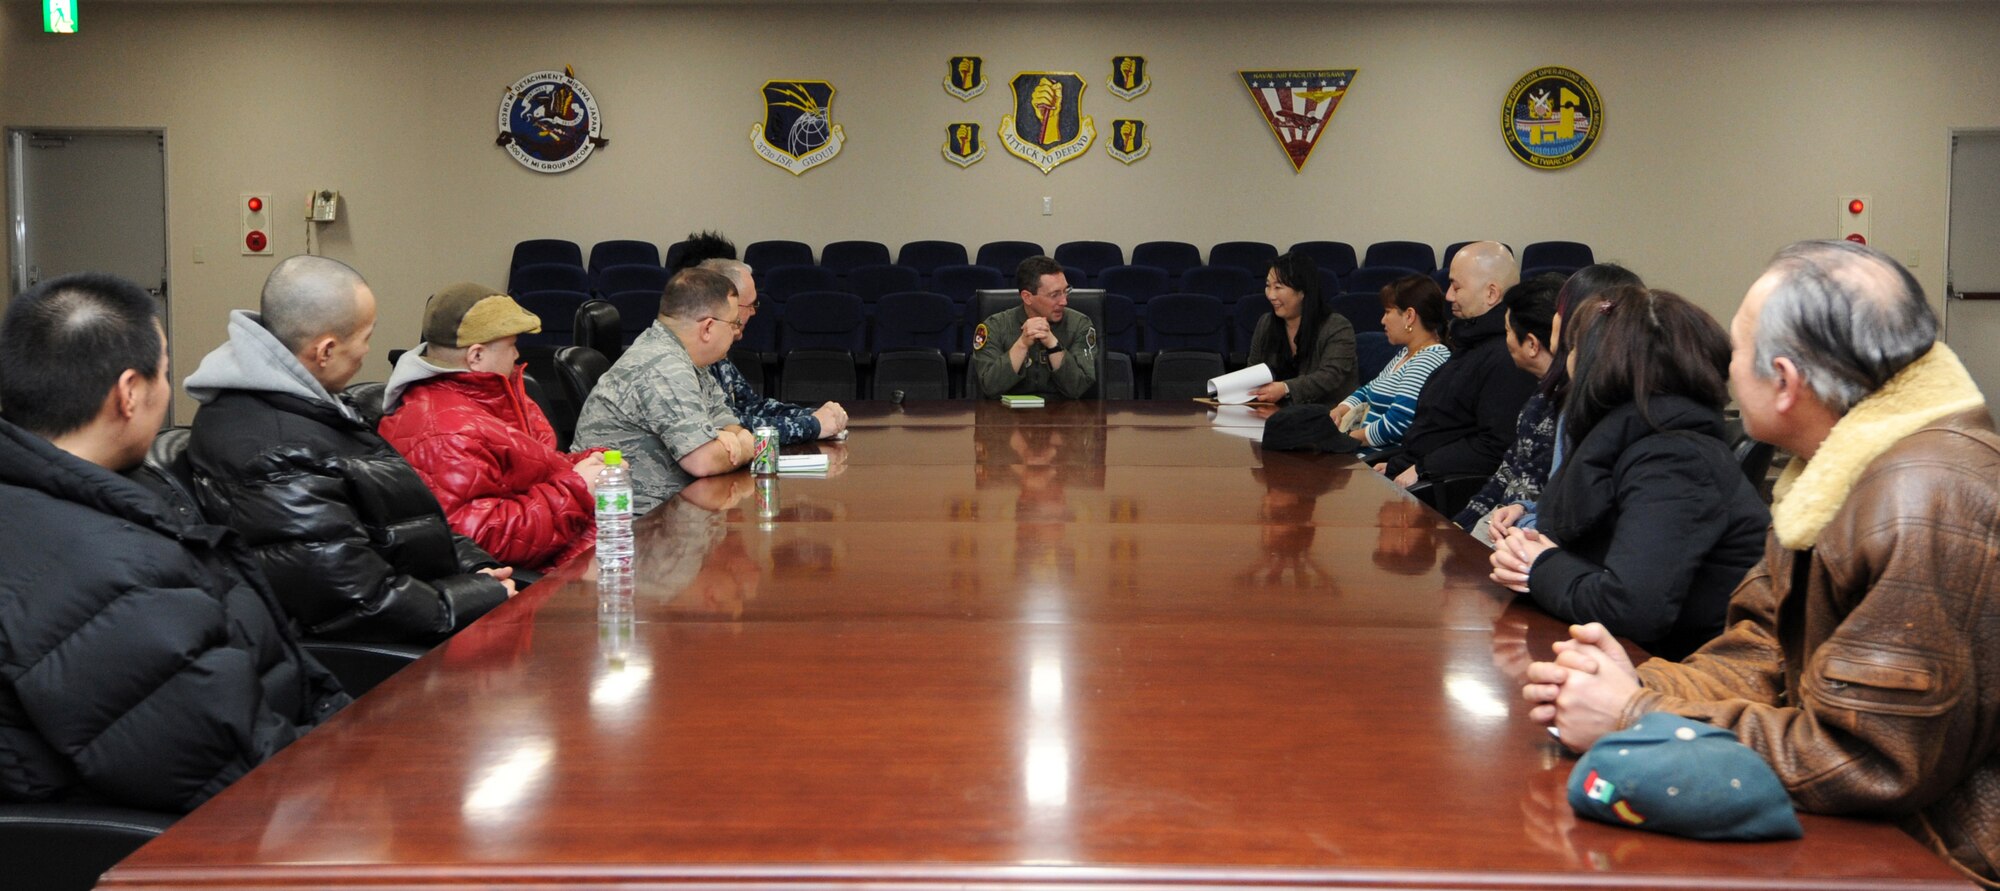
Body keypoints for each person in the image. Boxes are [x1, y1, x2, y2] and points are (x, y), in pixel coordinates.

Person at [1522, 241, 2000, 885]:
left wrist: (1635, 717)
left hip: (1932, 860)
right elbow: (1760, 648)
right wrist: (1638, 686)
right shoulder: (1835, 466)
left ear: (1785, 381)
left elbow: (1867, 762)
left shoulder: (1922, 501)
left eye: (1735, 356)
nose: (1719, 372)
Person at [0, 272, 348, 812]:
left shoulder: (91, 491)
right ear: (129, 393)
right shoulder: (113, 575)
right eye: (163, 374)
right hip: (244, 825)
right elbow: (242, 779)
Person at [185, 255, 516, 646]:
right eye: (366, 337)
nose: (366, 353)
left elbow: (401, 522)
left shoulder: (308, 404)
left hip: (424, 608)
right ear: (324, 351)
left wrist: (479, 569)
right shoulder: (276, 454)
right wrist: (478, 596)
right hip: (384, 659)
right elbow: (360, 599)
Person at [1490, 287, 1768, 660]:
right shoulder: (1630, 435)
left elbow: (1633, 608)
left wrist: (1538, 567)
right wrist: (1530, 555)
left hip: (1685, 679)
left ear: (1598, 363)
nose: (1567, 362)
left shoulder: (1674, 457)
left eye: (1573, 349)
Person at [378, 282, 607, 573]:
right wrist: (577, 488)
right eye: (511, 345)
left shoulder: (492, 394)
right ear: (476, 356)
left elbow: (538, 468)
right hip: (539, 582)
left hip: (573, 551)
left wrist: (587, 463)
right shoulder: (444, 432)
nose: (517, 356)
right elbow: (484, 540)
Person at [1463, 264, 1646, 538]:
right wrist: (1520, 511)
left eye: (1561, 310)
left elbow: (1580, 520)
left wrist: (1520, 525)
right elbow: (1530, 485)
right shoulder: (1555, 395)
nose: (1555, 319)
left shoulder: (1590, 407)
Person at [573, 266, 755, 511]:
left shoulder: (688, 359)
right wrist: (744, 445)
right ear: (708, 328)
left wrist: (731, 436)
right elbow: (703, 460)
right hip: (632, 526)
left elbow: (727, 421)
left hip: (670, 514)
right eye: (734, 323)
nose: (737, 333)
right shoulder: (662, 364)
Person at [1380, 241, 1537, 486]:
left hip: (1436, 488)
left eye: (1456, 286)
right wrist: (1396, 463)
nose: (1448, 295)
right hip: (1411, 472)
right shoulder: (1470, 343)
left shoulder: (1505, 356)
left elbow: (1494, 446)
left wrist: (1422, 468)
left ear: (1491, 293)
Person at [1450, 273, 1562, 537]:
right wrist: (1460, 525)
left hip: (1522, 539)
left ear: (1532, 344)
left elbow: (1534, 496)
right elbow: (1508, 470)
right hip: (1504, 528)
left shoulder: (1563, 406)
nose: (1506, 340)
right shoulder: (1539, 397)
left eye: (1508, 332)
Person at [700, 257, 848, 442]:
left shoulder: (717, 355)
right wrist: (812, 425)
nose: (754, 312)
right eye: (750, 305)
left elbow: (752, 407)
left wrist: (815, 415)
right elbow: (726, 429)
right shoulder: (686, 361)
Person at [1333, 275, 1452, 452]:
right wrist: (1339, 410)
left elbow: (1398, 423)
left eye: (1388, 312)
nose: (1382, 320)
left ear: (1409, 316)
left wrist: (1342, 440)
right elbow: (1368, 390)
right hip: (1360, 451)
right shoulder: (1406, 352)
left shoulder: (1430, 358)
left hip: (1377, 461)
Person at [971, 255, 1099, 399]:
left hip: (1064, 414)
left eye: (1065, 291)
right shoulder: (994, 326)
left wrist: (1053, 344)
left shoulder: (1080, 324)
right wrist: (1022, 344)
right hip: (1007, 416)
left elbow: (1078, 387)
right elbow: (990, 387)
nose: (1064, 301)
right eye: (1055, 295)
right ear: (1027, 297)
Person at [1243, 252, 1358, 405]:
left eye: (1278, 287)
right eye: (1267, 286)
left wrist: (1285, 388)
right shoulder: (1266, 323)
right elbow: (1254, 370)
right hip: (1275, 414)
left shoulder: (1337, 327)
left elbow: (1330, 376)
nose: (1271, 295)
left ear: (1302, 292)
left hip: (1326, 415)